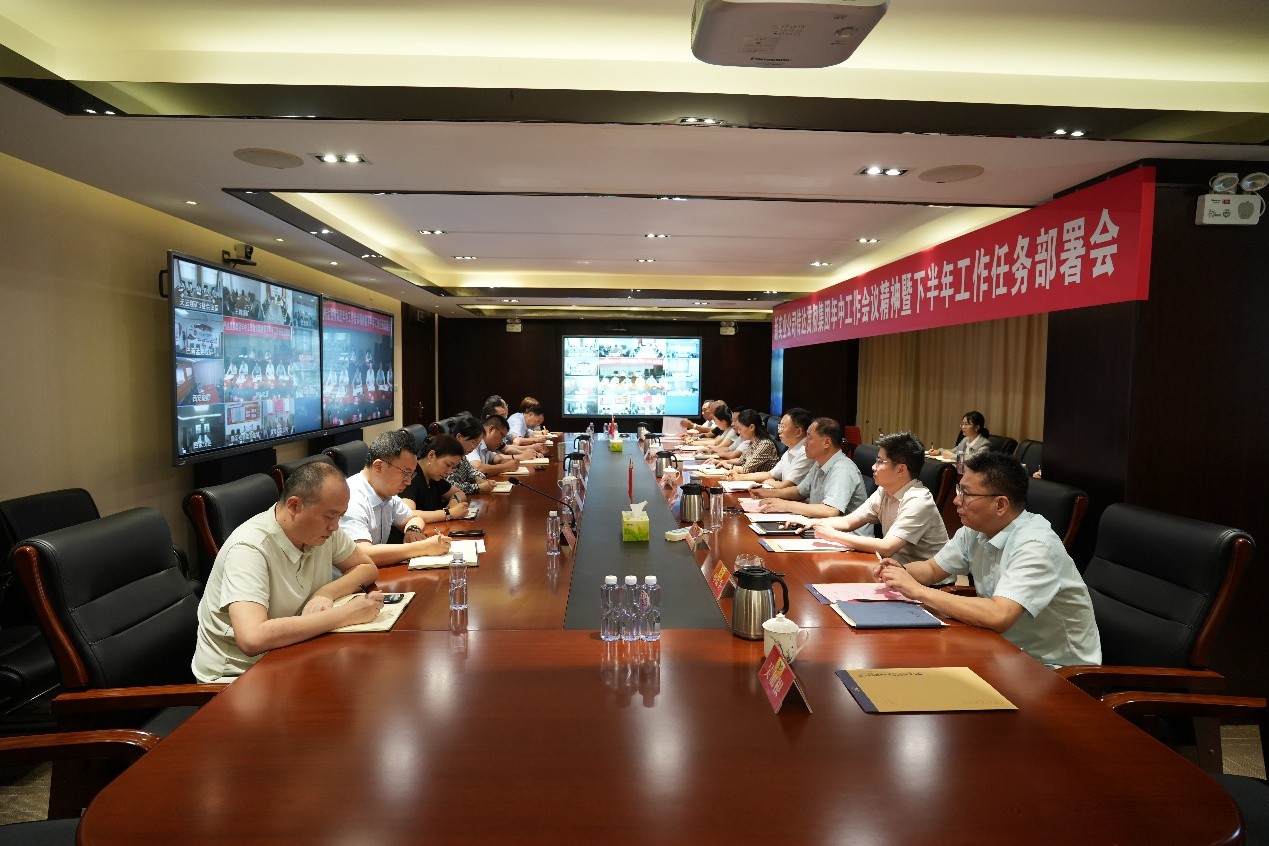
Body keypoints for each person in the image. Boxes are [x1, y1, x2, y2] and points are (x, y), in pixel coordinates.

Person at [874, 451, 1101, 668]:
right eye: (959, 490)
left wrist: (918, 591)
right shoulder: (975, 529)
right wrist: (900, 571)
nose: (956, 500)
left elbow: (999, 615)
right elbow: (932, 569)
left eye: (966, 494)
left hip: (1053, 669)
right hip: (1001, 649)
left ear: (1000, 504)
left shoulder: (1035, 545)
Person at [192, 461, 385, 683]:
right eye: (330, 516)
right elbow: (252, 638)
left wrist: (326, 593)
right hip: (237, 678)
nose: (335, 526)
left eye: (340, 516)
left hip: (291, 653)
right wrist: (345, 614)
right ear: (294, 505)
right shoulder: (249, 548)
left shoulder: (323, 531)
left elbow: (366, 567)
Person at [795, 431, 948, 564]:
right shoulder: (884, 491)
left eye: (880, 462)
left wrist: (834, 535)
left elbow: (887, 547)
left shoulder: (918, 501)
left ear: (901, 469)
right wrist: (812, 522)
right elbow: (848, 522)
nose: (873, 467)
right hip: (894, 569)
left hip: (927, 581)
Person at [339, 429, 453, 567]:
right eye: (405, 473)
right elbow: (363, 554)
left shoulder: (385, 493)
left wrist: (412, 530)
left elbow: (413, 518)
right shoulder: (351, 498)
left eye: (411, 475)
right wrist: (423, 547)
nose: (409, 482)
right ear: (378, 467)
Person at [754, 417, 866, 518]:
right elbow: (800, 492)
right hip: (820, 526)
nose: (804, 443)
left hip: (844, 533)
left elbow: (830, 510)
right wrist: (767, 493)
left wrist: (786, 505)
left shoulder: (842, 469)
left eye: (809, 437)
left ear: (827, 442)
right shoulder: (819, 463)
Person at [727, 407, 815, 489]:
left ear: (798, 432)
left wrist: (772, 483)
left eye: (783, 426)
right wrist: (740, 477)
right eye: (779, 426)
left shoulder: (806, 452)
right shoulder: (790, 449)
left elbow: (786, 485)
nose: (779, 430)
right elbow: (770, 474)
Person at [400, 434, 471, 523]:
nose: (449, 472)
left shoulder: (434, 477)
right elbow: (407, 514)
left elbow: (459, 493)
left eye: (453, 468)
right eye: (448, 465)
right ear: (431, 455)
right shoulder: (411, 476)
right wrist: (449, 513)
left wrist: (454, 500)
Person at [707, 408, 778, 474]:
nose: (738, 432)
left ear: (751, 427)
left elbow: (746, 469)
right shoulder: (752, 442)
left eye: (740, 429)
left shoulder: (765, 444)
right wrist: (721, 462)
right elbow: (741, 460)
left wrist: (727, 465)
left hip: (761, 481)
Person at [448, 415, 498, 494]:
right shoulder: (448, 454)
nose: (474, 447)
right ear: (459, 437)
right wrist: (478, 487)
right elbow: (449, 486)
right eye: (473, 442)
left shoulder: (461, 455)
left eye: (477, 444)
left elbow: (471, 470)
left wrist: (478, 478)